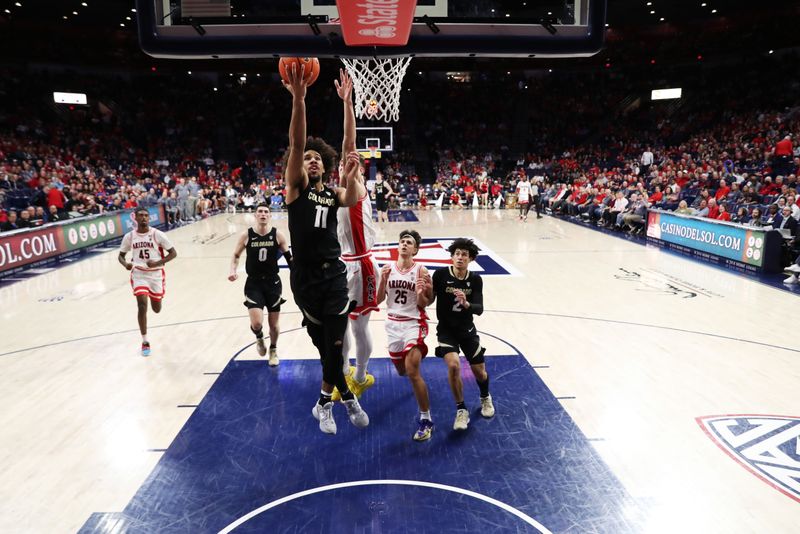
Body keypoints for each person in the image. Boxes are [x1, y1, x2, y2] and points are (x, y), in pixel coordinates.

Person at [282, 64, 369, 434]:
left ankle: (345, 401)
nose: (312, 158)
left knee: (337, 342)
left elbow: (353, 179)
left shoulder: (333, 194)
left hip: (334, 274)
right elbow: (297, 143)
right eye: (308, 158)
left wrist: (348, 105)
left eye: (317, 157)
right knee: (326, 349)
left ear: (324, 165)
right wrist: (300, 100)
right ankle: (328, 401)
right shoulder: (296, 189)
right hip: (304, 279)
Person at [332, 73, 379, 402]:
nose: (346, 166)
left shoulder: (356, 187)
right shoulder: (336, 189)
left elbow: (349, 145)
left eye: (352, 164)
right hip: (342, 265)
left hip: (361, 266)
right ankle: (346, 373)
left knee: (359, 327)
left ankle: (361, 376)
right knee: (339, 327)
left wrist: (348, 103)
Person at [376, 230, 434, 441]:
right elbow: (378, 300)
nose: (404, 244)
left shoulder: (421, 270)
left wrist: (421, 293)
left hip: (413, 323)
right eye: (402, 241)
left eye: (409, 242)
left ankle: (426, 419)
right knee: (401, 371)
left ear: (415, 249)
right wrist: (382, 281)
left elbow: (425, 303)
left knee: (412, 371)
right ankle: (412, 377)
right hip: (392, 324)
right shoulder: (387, 268)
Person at [431, 238, 494, 431]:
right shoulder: (440, 275)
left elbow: (480, 308)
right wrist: (421, 292)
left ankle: (485, 397)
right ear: (452, 256)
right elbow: (427, 300)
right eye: (457, 254)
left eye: (464, 255)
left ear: (471, 259)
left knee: (480, 373)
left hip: (467, 330)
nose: (460, 257)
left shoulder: (475, 279)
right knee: (453, 365)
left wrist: (467, 304)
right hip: (446, 330)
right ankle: (461, 409)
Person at [228, 203, 290, 366]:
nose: (263, 214)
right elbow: (235, 255)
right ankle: (259, 337)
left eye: (266, 212)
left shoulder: (278, 235)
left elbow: (289, 258)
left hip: (273, 283)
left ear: (270, 216)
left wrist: (299, 273)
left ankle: (273, 349)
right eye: (260, 212)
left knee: (274, 324)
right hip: (253, 283)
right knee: (256, 323)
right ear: (255, 215)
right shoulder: (246, 235)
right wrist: (232, 270)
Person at [118, 207, 177, 356]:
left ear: (149, 218)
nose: (144, 218)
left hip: (156, 275)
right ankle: (145, 341)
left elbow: (173, 253)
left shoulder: (158, 235)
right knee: (142, 305)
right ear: (135, 218)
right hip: (139, 274)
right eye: (141, 216)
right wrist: (126, 265)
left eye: (146, 216)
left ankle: (155, 298)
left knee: (156, 309)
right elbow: (121, 256)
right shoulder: (130, 237)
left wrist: (157, 263)